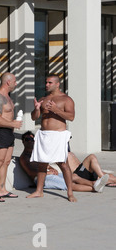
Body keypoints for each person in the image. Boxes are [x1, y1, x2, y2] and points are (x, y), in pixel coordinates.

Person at [27, 74, 77, 202]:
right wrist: (37, 109)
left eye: (49, 83)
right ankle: (39, 191)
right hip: (44, 134)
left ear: (57, 84)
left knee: (63, 164)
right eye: (46, 82)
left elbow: (71, 117)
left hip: (58, 135)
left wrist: (55, 110)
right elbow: (34, 117)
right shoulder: (43, 99)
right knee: (42, 164)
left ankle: (70, 193)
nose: (46, 85)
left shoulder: (66, 99)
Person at [19, 131, 114, 192]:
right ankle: (93, 187)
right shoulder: (24, 158)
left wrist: (51, 169)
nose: (30, 141)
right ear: (23, 141)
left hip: (49, 174)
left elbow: (45, 165)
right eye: (27, 139)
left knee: (73, 177)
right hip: (41, 179)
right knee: (69, 185)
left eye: (32, 139)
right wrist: (48, 172)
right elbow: (32, 173)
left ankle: (95, 184)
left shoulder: (37, 153)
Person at [0, 72, 22, 202]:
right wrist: (13, 123)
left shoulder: (7, 96)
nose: (16, 83)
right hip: (0, 132)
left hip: (9, 133)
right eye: (15, 81)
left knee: (6, 162)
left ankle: (2, 189)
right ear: (8, 82)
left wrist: (13, 125)